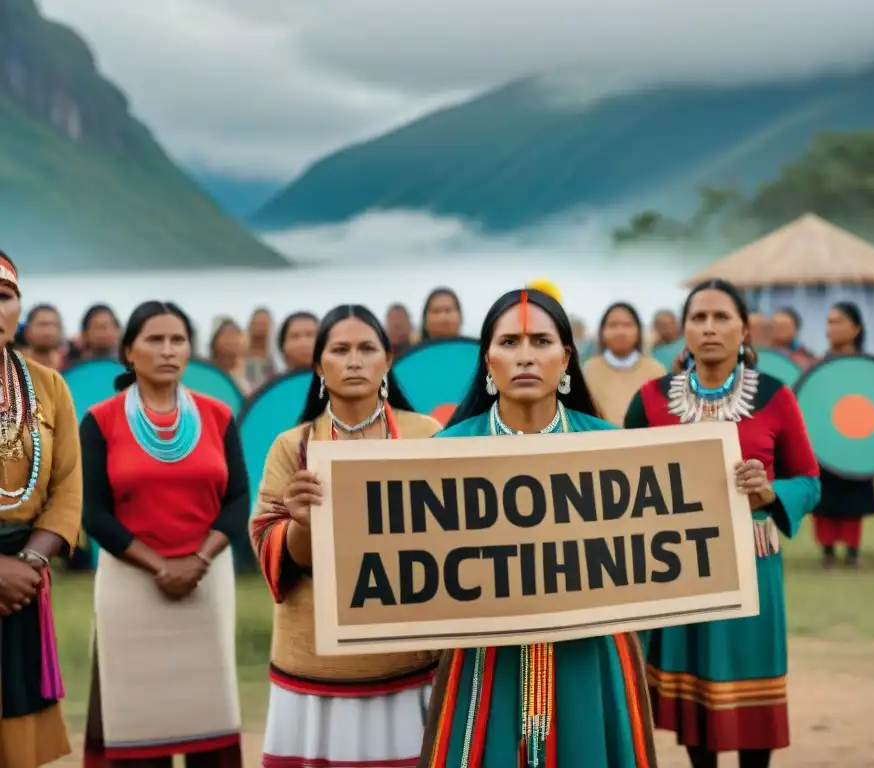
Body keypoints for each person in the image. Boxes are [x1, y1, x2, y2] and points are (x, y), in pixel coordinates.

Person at [419, 288, 657, 767]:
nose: (525, 356)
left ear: (566, 357)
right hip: (485, 659)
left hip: (588, 655)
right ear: (487, 359)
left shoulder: (613, 448)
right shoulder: (443, 452)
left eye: (541, 342)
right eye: (508, 342)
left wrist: (729, 488)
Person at [624, 279, 820, 768]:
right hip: (677, 565)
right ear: (683, 330)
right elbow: (619, 484)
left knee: (752, 681)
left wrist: (771, 492)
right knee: (694, 693)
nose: (709, 328)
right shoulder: (649, 399)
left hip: (753, 563)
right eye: (698, 318)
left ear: (745, 329)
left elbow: (811, 482)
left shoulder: (776, 397)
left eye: (721, 318)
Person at [251, 305, 441, 768]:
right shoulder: (291, 446)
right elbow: (274, 558)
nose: (354, 361)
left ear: (388, 359)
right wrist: (300, 522)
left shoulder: (430, 437)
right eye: (339, 350)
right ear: (319, 366)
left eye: (366, 349)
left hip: (408, 663)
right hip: (313, 663)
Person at [80, 300, 249, 768]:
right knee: (136, 726)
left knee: (208, 721)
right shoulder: (101, 420)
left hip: (206, 577)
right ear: (129, 351)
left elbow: (237, 502)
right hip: (131, 580)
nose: (168, 350)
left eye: (178, 340)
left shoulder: (216, 416)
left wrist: (197, 561)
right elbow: (94, 514)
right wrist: (160, 566)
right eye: (155, 339)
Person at [0, 253, 82, 767]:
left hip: (23, 583)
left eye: (3, 297)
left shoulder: (48, 386)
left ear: (18, 309)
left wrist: (27, 565)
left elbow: (69, 484)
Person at [811, 302, 874, 569]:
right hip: (824, 441)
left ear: (855, 328)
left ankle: (852, 551)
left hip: (857, 439)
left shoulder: (870, 367)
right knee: (825, 497)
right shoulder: (818, 367)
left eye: (838, 322)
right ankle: (827, 550)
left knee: (853, 494)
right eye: (829, 322)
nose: (831, 328)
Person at [583, 302, 666, 426]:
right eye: (613, 325)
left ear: (638, 331)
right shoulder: (588, 370)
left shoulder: (656, 370)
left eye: (627, 325)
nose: (620, 331)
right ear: (602, 332)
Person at [209, 319, 251, 395]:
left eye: (235, 335)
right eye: (226, 335)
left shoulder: (250, 372)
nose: (231, 340)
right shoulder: (208, 371)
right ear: (215, 341)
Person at [15, 305, 64, 370]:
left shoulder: (69, 364)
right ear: (27, 330)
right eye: (43, 324)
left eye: (54, 325)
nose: (49, 331)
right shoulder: (13, 363)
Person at [244, 308, 277, 390]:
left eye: (263, 324)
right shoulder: (240, 352)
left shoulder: (277, 355)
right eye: (257, 323)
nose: (260, 328)